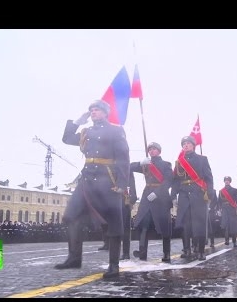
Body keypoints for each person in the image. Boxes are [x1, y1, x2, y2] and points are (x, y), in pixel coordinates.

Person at [54, 99, 130, 279]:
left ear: (105, 112)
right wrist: (76, 123)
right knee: (70, 216)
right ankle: (74, 258)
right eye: (91, 110)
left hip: (107, 178)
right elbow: (66, 139)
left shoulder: (115, 130)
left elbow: (123, 157)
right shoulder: (85, 131)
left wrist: (121, 183)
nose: (93, 112)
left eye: (97, 110)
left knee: (114, 221)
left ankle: (113, 265)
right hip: (87, 179)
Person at [171, 136, 214, 261]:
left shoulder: (202, 159)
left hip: (198, 193)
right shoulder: (179, 162)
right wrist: (173, 195)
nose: (185, 145)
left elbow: (208, 178)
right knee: (185, 224)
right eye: (183, 143)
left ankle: (200, 251)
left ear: (193, 145)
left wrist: (209, 193)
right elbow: (175, 181)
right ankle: (187, 249)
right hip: (183, 194)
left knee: (199, 223)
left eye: (188, 143)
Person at [131, 142, 174, 262]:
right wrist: (140, 163)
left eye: (154, 149)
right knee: (143, 224)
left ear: (159, 151)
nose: (152, 151)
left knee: (164, 226)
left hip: (161, 197)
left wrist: (157, 193)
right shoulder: (146, 164)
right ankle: (142, 253)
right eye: (150, 149)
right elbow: (128, 167)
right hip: (146, 197)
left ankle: (166, 254)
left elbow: (169, 181)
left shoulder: (166, 164)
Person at [218, 176, 237, 248]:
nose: (226, 181)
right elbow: (219, 201)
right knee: (226, 225)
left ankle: (234, 241)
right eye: (225, 180)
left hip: (232, 209)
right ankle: (226, 240)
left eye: (228, 180)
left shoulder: (234, 190)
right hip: (224, 209)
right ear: (224, 181)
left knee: (233, 226)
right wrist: (219, 209)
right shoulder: (221, 191)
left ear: (230, 181)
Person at [120, 171, 137, 260]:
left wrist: (132, 199)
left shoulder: (128, 170)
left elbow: (132, 185)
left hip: (125, 202)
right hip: (113, 201)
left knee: (126, 230)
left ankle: (126, 253)